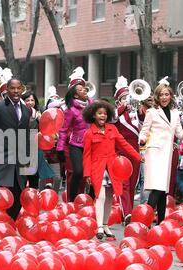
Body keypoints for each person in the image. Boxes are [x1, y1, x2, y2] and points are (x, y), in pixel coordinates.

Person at [139, 80, 183, 225]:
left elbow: (181, 134)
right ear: (157, 97)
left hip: (167, 155)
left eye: (167, 94)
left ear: (171, 96)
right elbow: (144, 131)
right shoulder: (152, 112)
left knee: (163, 191)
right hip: (154, 153)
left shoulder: (174, 114)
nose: (164, 97)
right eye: (161, 95)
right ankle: (144, 223)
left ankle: (159, 224)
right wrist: (141, 140)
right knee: (158, 189)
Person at [83, 100, 142, 240]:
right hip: (97, 168)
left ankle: (105, 225)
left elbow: (124, 144)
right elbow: (86, 155)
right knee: (100, 195)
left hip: (112, 167)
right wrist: (87, 174)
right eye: (99, 113)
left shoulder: (112, 129)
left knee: (110, 196)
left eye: (104, 113)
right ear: (93, 115)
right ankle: (99, 227)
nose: (102, 116)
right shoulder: (89, 133)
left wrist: (138, 157)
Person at [0, 78, 31, 220]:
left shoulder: (26, 110)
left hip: (18, 159)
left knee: (17, 191)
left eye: (18, 88)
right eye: (12, 88)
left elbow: (26, 135)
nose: (15, 91)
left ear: (22, 89)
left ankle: (8, 223)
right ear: (7, 90)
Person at [57, 67, 94, 202]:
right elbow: (62, 129)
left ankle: (87, 200)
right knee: (77, 172)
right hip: (76, 145)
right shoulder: (70, 110)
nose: (84, 90)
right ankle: (71, 200)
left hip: (91, 145)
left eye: (85, 88)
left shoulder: (93, 106)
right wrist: (60, 148)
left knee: (88, 175)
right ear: (75, 95)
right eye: (80, 89)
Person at [112, 76, 141, 225]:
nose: (127, 100)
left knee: (133, 183)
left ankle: (128, 210)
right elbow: (111, 118)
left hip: (135, 152)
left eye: (128, 97)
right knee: (124, 183)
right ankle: (127, 213)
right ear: (118, 101)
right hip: (121, 152)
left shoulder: (136, 114)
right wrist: (124, 107)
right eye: (124, 98)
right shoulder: (117, 113)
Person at [22, 91, 56, 190]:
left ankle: (37, 189)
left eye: (32, 100)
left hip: (36, 145)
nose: (30, 102)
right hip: (22, 146)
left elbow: (46, 128)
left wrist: (39, 117)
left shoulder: (39, 113)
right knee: (24, 173)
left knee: (34, 172)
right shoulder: (20, 113)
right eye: (27, 100)